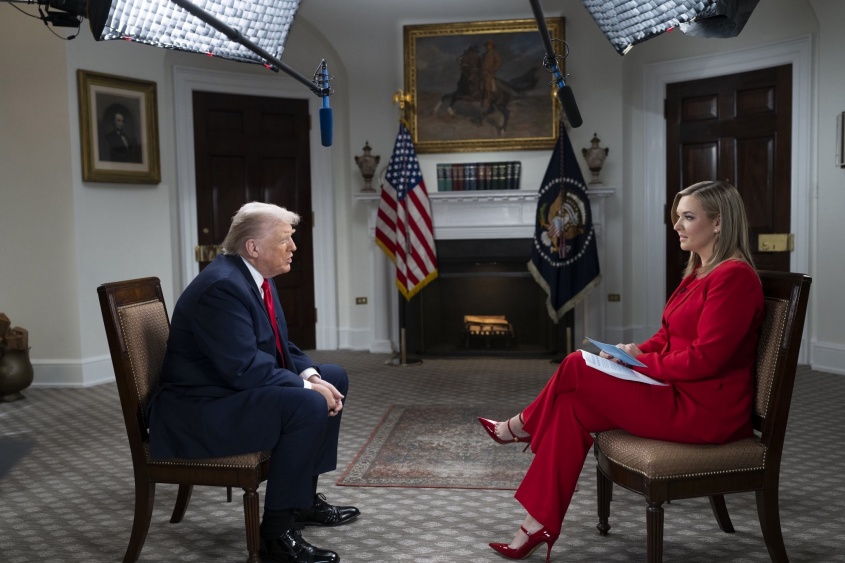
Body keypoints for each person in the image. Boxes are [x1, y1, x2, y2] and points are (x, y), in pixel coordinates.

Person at [478, 180, 764, 562]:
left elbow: (706, 359)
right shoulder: (699, 271)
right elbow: (668, 336)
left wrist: (640, 363)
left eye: (688, 217)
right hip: (677, 391)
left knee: (576, 363)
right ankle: (536, 525)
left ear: (718, 223)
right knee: (570, 407)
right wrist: (634, 351)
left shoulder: (734, 277)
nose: (677, 225)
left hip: (705, 411)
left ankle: (520, 427)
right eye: (677, 216)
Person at [148, 202, 359, 563]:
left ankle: (302, 502)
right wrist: (308, 389)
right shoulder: (222, 288)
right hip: (199, 409)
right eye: (285, 239)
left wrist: (310, 376)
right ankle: (276, 535)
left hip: (225, 391)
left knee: (332, 376)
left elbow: (278, 345)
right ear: (253, 247)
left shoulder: (254, 276)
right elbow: (243, 368)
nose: (293, 247)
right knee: (308, 402)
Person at [480, 39, 502, 110]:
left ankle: (487, 101)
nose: (488, 46)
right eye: (487, 45)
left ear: (492, 46)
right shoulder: (483, 55)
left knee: (487, 86)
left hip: (489, 73)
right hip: (482, 73)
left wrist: (492, 69)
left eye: (489, 45)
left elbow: (498, 62)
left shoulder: (494, 53)